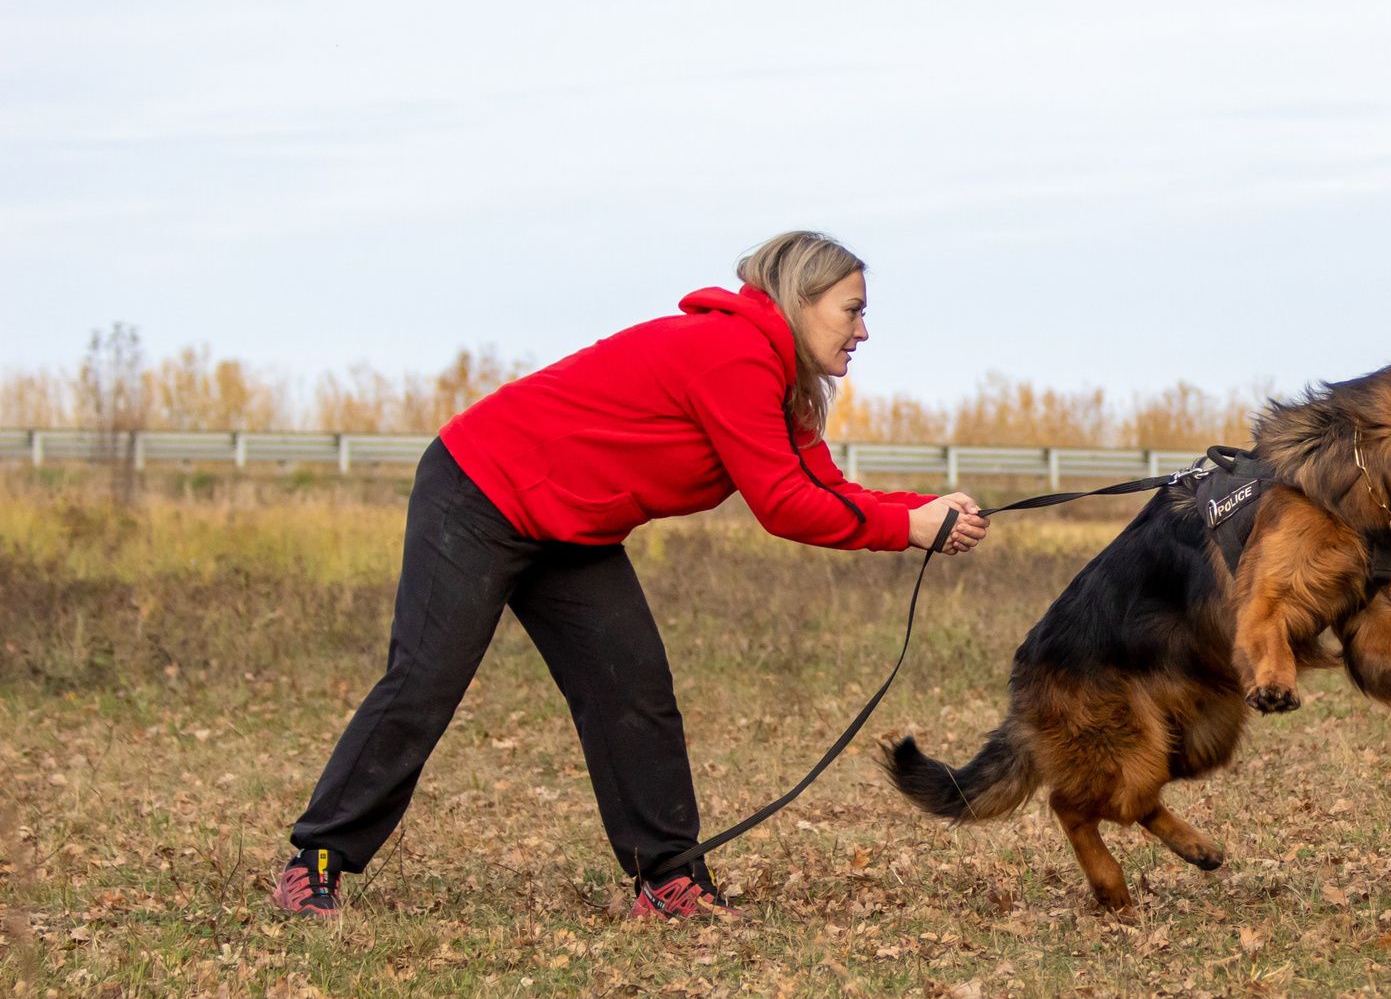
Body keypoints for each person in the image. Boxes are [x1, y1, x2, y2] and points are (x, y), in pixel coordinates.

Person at [271, 230, 989, 921]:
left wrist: (921, 511)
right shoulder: (733, 354)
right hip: (481, 487)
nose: (863, 328)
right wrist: (910, 527)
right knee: (426, 679)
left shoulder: (781, 382)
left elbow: (818, 483)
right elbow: (784, 506)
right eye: (853, 308)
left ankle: (668, 880)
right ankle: (317, 862)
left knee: (632, 685)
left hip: (567, 523)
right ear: (802, 299)